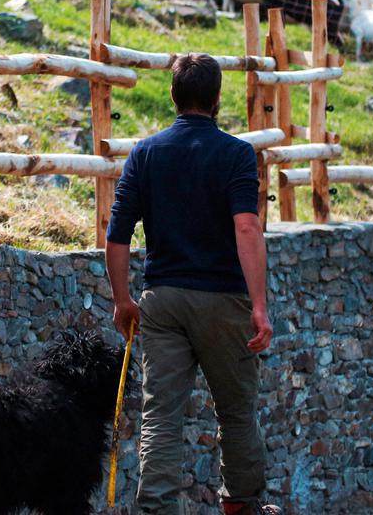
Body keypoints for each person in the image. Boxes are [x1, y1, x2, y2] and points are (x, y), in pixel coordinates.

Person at [104, 53, 279, 515]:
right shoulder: (237, 154)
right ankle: (241, 505)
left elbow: (117, 233)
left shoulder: (145, 153)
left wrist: (122, 300)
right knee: (237, 412)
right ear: (218, 97)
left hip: (162, 301)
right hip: (225, 303)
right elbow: (247, 229)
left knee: (161, 414)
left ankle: (157, 508)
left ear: (173, 96)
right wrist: (258, 306)